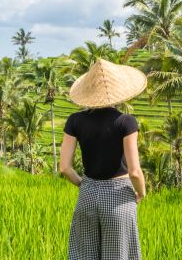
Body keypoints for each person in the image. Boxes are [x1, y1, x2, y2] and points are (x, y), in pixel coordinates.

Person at [59, 58, 148, 260]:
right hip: (118, 196)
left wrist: (84, 184)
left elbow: (64, 167)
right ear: (119, 92)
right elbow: (134, 171)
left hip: (87, 195)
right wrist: (141, 192)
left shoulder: (75, 120)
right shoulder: (126, 121)